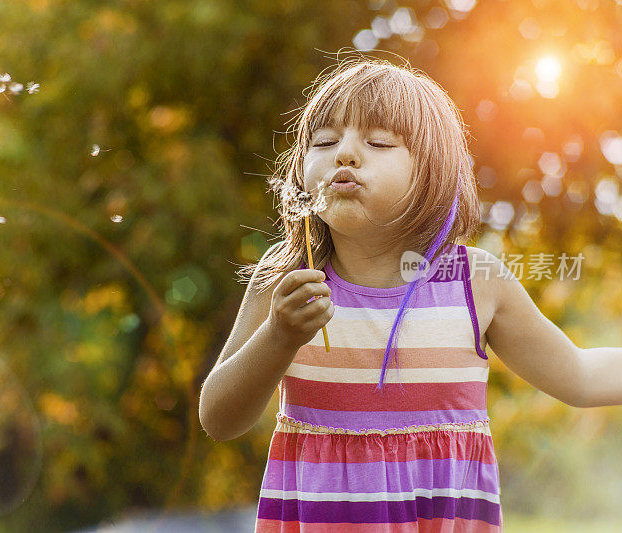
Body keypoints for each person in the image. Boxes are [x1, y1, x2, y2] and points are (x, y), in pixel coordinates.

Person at [198, 55, 622, 531]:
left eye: (378, 142)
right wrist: (279, 335)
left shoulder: (475, 282)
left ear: (431, 173)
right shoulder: (284, 282)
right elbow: (219, 418)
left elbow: (581, 377)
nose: (345, 154)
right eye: (325, 141)